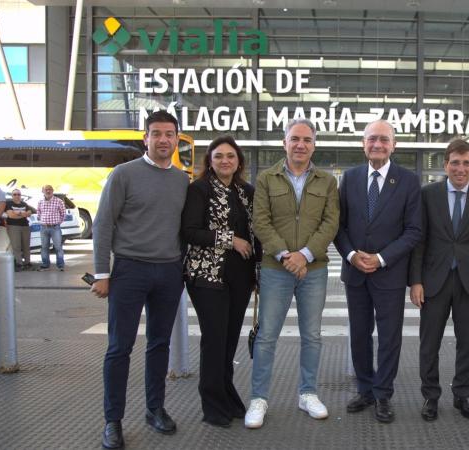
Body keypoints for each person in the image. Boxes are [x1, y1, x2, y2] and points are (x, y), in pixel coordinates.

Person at [91, 110, 190, 449]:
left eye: (169, 134)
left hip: (168, 272)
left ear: (177, 139)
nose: (163, 139)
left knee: (159, 344)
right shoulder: (124, 174)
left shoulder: (182, 180)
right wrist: (102, 273)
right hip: (129, 271)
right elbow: (103, 224)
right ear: (145, 138)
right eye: (156, 133)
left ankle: (155, 409)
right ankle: (112, 420)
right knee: (120, 347)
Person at [244, 119, 339, 429]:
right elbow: (261, 222)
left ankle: (308, 393)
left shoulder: (327, 181)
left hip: (315, 269)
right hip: (276, 268)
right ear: (284, 143)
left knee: (312, 336)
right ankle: (259, 398)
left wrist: (305, 255)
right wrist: (286, 255)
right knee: (267, 336)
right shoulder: (267, 179)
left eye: (307, 140)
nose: (301, 145)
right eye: (295, 139)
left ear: (314, 145)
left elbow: (330, 223)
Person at [334, 119, 421, 424]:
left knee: (389, 337)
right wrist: (351, 254)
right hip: (355, 272)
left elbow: (413, 230)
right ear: (363, 144)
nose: (377, 144)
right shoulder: (350, 178)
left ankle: (383, 394)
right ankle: (365, 389)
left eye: (384, 139)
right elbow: (339, 226)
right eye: (372, 139)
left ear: (393, 145)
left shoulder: (409, 181)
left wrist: (382, 258)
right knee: (359, 334)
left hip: (389, 273)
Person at [408, 139, 469, 422]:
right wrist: (416, 281)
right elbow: (418, 241)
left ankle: (462, 395)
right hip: (434, 281)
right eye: (455, 163)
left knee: (467, 343)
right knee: (429, 343)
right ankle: (431, 397)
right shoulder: (428, 195)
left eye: (467, 163)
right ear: (446, 164)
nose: (461, 169)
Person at [182, 135, 261, 428]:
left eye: (230, 156)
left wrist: (258, 274)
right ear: (210, 161)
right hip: (207, 276)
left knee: (228, 342)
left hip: (240, 277)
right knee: (214, 340)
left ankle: (227, 395)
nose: (225, 161)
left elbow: (256, 235)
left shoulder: (246, 191)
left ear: (239, 160)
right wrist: (230, 239)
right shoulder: (199, 190)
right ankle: (212, 404)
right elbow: (190, 231)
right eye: (218, 156)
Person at [36, 185, 66, 271]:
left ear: (53, 191)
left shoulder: (58, 201)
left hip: (55, 228)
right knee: (44, 247)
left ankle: (60, 265)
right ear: (42, 191)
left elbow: (63, 214)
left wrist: (57, 223)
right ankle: (45, 264)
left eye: (50, 189)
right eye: (46, 190)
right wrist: (41, 221)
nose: (48, 191)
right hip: (43, 228)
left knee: (58, 247)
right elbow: (38, 213)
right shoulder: (40, 202)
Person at [5, 189, 36, 269]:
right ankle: (19, 263)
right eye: (15, 194)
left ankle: (27, 262)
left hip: (25, 226)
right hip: (13, 226)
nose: (17, 196)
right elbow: (11, 215)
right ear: (12, 196)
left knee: (26, 246)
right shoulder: (9, 203)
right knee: (16, 245)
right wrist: (23, 214)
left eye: (18, 194)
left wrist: (18, 213)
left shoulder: (24, 204)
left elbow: (29, 213)